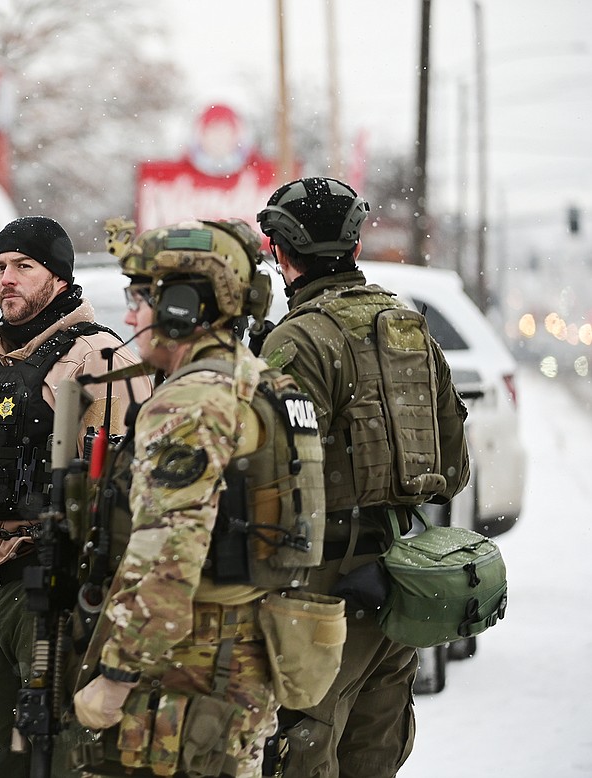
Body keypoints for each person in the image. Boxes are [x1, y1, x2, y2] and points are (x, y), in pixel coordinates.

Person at [71, 218, 327, 778]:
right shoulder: (260, 380)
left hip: (189, 666)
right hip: (244, 653)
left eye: (141, 297)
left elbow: (170, 554)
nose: (131, 316)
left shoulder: (191, 401)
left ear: (182, 306)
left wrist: (115, 678)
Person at [0, 215, 152, 777]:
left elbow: (133, 491)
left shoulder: (101, 361)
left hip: (59, 592)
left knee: (64, 760)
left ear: (59, 279)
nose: (6, 279)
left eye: (23, 266)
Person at [256, 176, 471, 778]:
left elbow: (274, 483)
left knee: (301, 748)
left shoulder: (297, 339)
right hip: (399, 576)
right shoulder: (406, 325)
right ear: (354, 245)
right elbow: (453, 468)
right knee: (373, 756)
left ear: (283, 252)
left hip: (322, 587)